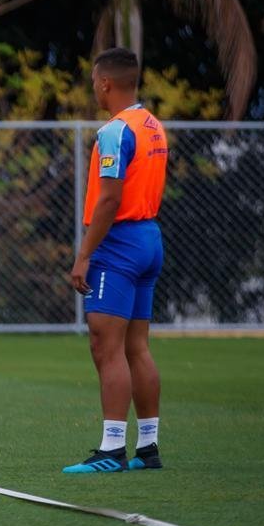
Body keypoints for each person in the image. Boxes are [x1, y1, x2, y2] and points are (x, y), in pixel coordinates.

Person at [64, 47, 168, 473]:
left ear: (105, 83)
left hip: (119, 244)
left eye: (94, 81)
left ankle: (111, 450)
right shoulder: (152, 125)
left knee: (105, 347)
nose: (94, 88)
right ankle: (148, 447)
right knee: (136, 347)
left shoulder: (114, 131)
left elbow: (108, 199)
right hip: (148, 238)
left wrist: (84, 255)